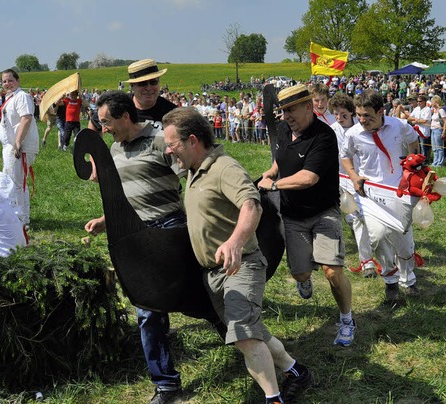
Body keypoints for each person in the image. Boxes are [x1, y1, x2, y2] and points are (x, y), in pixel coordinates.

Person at [163, 107, 314, 404]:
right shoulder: (194, 170)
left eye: (172, 145)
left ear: (193, 140)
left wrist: (234, 241)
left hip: (241, 265)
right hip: (214, 273)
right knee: (251, 333)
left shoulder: (224, 168)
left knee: (244, 334)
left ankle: (273, 399)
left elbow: (252, 205)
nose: (169, 152)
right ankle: (296, 371)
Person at [83, 91, 188, 404]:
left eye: (107, 122)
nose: (104, 129)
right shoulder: (115, 149)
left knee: (197, 296)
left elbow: (192, 177)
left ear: (125, 117)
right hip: (137, 233)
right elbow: (128, 194)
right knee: (146, 308)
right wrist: (106, 219)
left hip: (171, 228)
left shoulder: (159, 140)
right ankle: (166, 384)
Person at [257, 84, 355, 347]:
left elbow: (309, 177)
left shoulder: (323, 136)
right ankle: (304, 279)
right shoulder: (285, 130)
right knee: (300, 274)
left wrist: (275, 185)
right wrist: (271, 172)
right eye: (283, 110)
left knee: (332, 272)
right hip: (293, 216)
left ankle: (346, 319)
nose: (286, 115)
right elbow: (282, 159)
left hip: (324, 212)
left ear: (308, 107)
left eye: (290, 110)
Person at [340, 90, 421, 303]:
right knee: (378, 236)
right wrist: (354, 176)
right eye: (359, 115)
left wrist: (412, 164)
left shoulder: (398, 125)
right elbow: (345, 156)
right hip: (370, 195)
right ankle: (390, 282)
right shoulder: (353, 134)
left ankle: (408, 279)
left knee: (403, 241)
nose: (362, 120)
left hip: (399, 193)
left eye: (368, 115)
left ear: (380, 111)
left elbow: (413, 140)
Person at [329, 92, 377, 278]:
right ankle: (367, 262)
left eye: (344, 115)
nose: (339, 118)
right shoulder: (331, 131)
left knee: (369, 218)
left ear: (352, 113)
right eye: (336, 114)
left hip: (365, 179)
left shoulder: (363, 129)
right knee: (356, 218)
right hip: (343, 180)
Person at [0, 69, 40, 226]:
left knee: (16, 183)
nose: (7, 84)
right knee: (12, 181)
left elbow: (26, 118)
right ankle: (17, 215)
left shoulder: (21, 96)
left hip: (20, 147)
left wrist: (17, 143)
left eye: (10, 80)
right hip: (11, 146)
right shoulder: (11, 98)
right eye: (4, 81)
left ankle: (21, 219)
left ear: (18, 81)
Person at [126, 59, 177, 129]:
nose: (149, 88)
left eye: (153, 82)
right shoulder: (121, 107)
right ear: (132, 85)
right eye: (142, 83)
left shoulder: (172, 113)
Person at [429, 95, 446, 167]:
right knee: (434, 147)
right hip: (433, 129)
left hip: (438, 129)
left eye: (432, 102)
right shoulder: (433, 111)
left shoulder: (441, 110)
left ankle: (440, 162)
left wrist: (444, 131)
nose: (431, 103)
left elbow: (445, 121)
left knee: (439, 147)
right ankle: (435, 161)